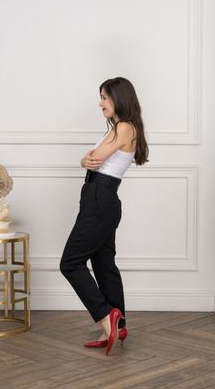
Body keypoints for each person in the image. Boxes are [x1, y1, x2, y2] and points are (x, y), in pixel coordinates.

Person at [60, 77, 149, 355]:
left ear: (119, 98)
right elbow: (90, 161)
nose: (100, 103)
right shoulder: (122, 127)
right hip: (101, 198)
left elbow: (94, 158)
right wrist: (83, 161)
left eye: (105, 98)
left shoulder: (123, 127)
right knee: (103, 264)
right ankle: (117, 326)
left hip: (100, 198)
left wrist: (84, 160)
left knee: (70, 263)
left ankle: (106, 315)